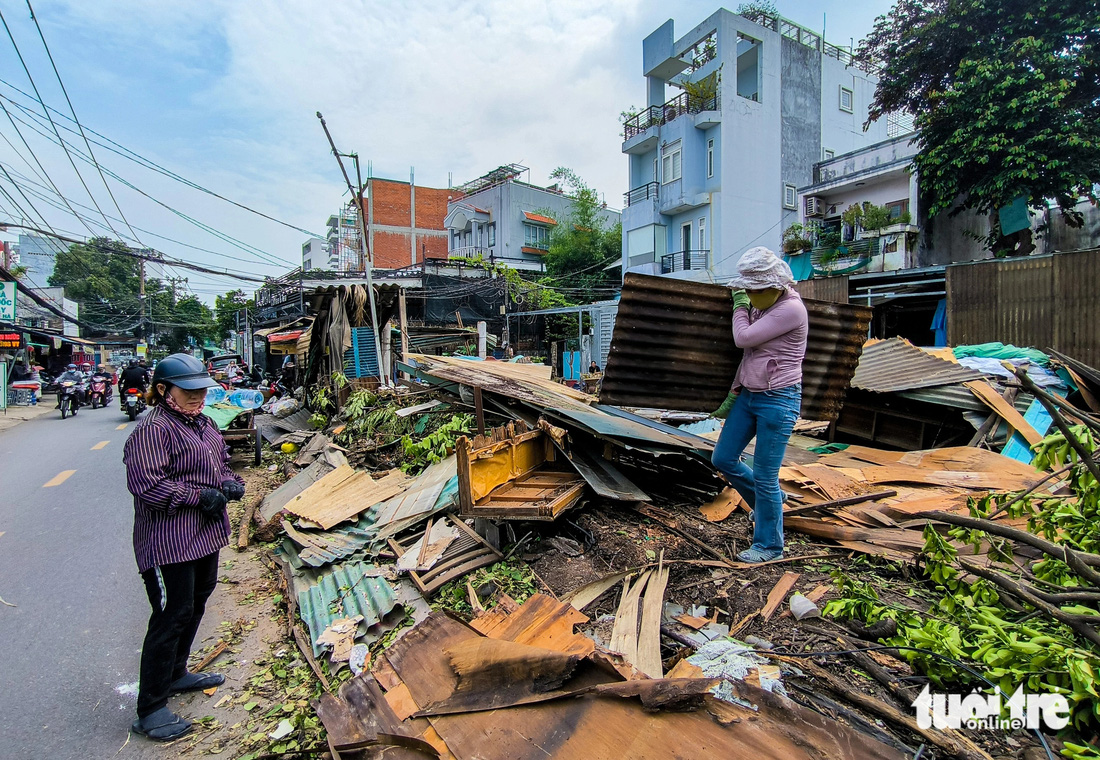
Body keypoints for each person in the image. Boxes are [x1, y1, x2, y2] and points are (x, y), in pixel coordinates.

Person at [122, 354, 246, 741]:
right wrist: (198, 496)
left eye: (201, 391)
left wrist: (229, 483)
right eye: (189, 391)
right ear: (163, 390)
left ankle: (176, 673)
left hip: (204, 536)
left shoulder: (204, 424)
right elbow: (148, 486)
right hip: (168, 542)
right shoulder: (152, 431)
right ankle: (151, 708)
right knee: (170, 614)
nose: (197, 398)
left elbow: (220, 463)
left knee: (196, 602)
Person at [711, 247, 808, 563]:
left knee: (766, 475)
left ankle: (769, 546)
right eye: (747, 291)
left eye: (754, 290)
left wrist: (739, 306)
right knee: (723, 457)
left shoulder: (791, 309)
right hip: (750, 395)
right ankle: (772, 503)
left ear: (774, 285)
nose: (750, 295)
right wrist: (733, 394)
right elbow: (751, 355)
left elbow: (744, 339)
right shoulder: (764, 306)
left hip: (778, 399)